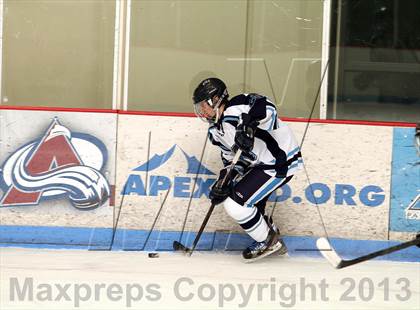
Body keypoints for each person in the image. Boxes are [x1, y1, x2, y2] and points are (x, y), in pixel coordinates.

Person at [192, 77, 303, 261]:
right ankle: (270, 235)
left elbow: (267, 107)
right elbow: (232, 160)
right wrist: (224, 181)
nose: (202, 111)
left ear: (216, 99)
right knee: (245, 202)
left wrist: (249, 123)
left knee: (236, 204)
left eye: (204, 105)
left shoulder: (237, 106)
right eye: (200, 107)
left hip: (278, 160)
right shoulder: (215, 132)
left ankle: (268, 241)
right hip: (261, 164)